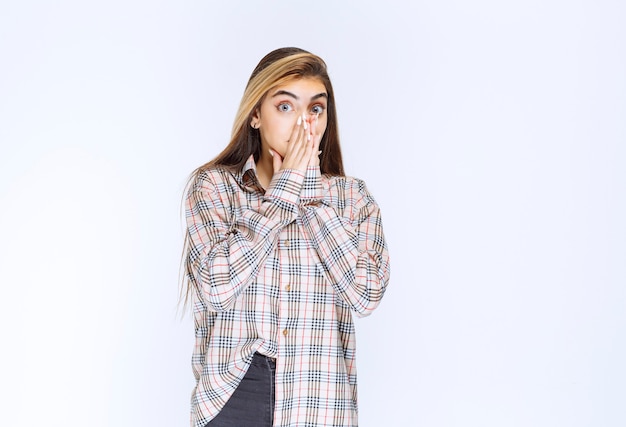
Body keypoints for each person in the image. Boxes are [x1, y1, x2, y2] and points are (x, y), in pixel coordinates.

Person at [181, 47, 391, 427]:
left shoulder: (352, 198)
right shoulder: (214, 188)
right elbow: (216, 285)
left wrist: (308, 194)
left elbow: (366, 294)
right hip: (235, 393)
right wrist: (283, 192)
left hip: (320, 397)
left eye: (315, 109)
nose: (303, 125)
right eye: (285, 107)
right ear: (256, 115)